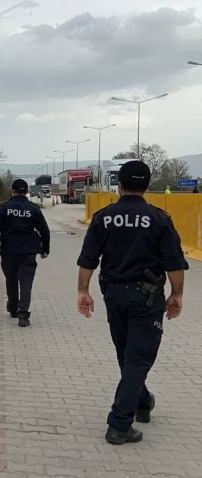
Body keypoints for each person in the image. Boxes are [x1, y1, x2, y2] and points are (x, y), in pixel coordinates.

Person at [76, 160, 188, 445]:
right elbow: (174, 262)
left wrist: (83, 291)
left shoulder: (103, 216)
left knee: (126, 354)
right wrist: (177, 294)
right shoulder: (160, 218)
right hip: (146, 297)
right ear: (147, 186)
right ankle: (119, 425)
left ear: (120, 186)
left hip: (113, 296)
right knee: (138, 359)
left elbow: (89, 259)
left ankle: (142, 402)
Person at [0, 179, 51, 327]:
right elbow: (44, 230)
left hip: (9, 251)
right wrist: (45, 249)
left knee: (11, 280)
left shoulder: (4, 208)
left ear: (12, 191)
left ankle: (12, 308)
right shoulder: (33, 209)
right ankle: (23, 316)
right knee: (26, 282)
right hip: (28, 251)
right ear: (27, 192)